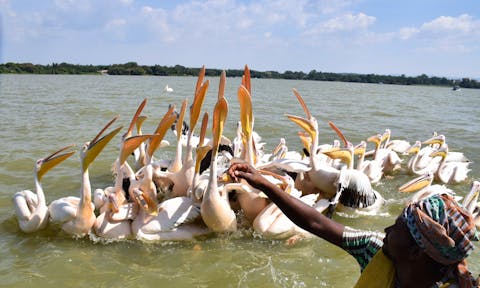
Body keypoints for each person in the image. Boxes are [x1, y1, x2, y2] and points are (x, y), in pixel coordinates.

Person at [227, 162, 480, 288]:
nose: (386, 231)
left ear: (415, 252)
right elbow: (316, 222)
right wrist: (265, 185)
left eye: (397, 229)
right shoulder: (373, 249)